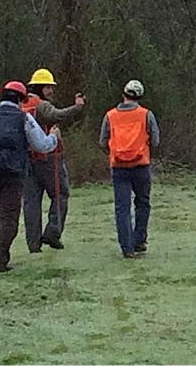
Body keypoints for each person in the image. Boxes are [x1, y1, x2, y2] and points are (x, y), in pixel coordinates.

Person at [0, 81, 61, 273]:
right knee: (10, 217)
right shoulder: (23, 118)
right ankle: (0, 258)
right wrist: (54, 137)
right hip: (13, 173)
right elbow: (42, 145)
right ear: (20, 100)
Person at [21, 68, 85, 253]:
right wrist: (78, 107)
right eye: (48, 87)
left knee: (31, 202)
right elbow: (58, 115)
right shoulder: (41, 106)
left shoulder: (21, 105)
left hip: (27, 160)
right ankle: (52, 232)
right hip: (49, 159)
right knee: (60, 195)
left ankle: (33, 245)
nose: (51, 91)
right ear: (40, 88)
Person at [99, 79, 159, 259]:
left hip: (118, 167)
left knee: (122, 208)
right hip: (141, 165)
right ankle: (139, 240)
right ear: (140, 97)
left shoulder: (110, 116)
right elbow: (155, 141)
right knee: (142, 203)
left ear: (123, 95)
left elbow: (102, 142)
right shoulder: (146, 114)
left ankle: (126, 248)